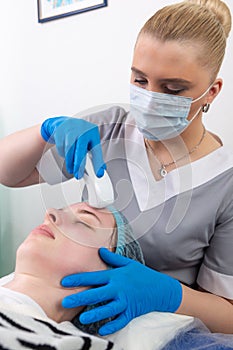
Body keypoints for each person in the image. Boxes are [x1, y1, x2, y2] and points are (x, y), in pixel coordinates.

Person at [0, 0, 233, 337]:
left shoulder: (225, 183)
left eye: (172, 89)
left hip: (159, 333)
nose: (150, 99)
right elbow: (9, 173)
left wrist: (170, 294)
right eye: (140, 80)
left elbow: (228, 314)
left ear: (211, 92)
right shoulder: (109, 127)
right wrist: (44, 131)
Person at [0, 201, 144, 349]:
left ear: (106, 280)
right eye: (62, 210)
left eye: (83, 223)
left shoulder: (65, 344)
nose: (50, 213)